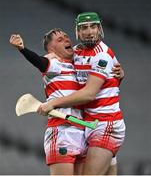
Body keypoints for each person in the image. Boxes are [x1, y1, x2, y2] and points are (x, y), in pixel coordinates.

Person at [37, 12, 126, 175]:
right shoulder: (76, 52)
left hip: (106, 123)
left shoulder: (102, 55)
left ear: (100, 29)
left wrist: (52, 103)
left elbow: (89, 94)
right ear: (77, 32)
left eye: (93, 27)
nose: (89, 31)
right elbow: (56, 62)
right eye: (84, 28)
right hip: (88, 124)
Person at [9, 29, 87, 175]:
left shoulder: (79, 66)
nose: (66, 40)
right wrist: (22, 49)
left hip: (82, 130)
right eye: (59, 40)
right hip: (62, 131)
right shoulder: (54, 64)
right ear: (51, 50)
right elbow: (39, 61)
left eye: (66, 37)